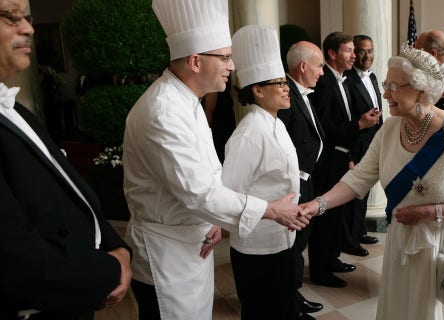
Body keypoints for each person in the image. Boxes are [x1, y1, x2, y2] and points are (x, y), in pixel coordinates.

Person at [122, 1, 306, 319]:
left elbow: (207, 177)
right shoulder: (163, 110)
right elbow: (199, 193)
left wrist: (214, 221)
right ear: (195, 61)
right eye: (224, 57)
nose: (231, 66)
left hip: (193, 244)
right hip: (167, 255)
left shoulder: (187, 101)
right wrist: (271, 209)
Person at [301, 43, 444, 320]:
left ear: (421, 91)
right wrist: (317, 205)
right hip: (402, 240)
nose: (385, 93)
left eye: (394, 86)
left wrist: (427, 212)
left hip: (443, 245)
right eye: (386, 84)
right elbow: (358, 178)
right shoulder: (389, 129)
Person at [0, 0, 132, 318]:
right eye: (10, 15)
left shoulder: (16, 111)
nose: (29, 28)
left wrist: (118, 248)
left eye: (27, 17)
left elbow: (71, 187)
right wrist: (109, 270)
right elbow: (15, 261)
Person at [221, 25, 300, 320]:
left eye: (284, 82)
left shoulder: (276, 122)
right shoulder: (248, 134)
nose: (285, 87)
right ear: (257, 90)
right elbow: (229, 192)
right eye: (278, 83)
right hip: (258, 246)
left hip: (283, 238)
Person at [307, 31, 381, 288]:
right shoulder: (324, 82)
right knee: (325, 217)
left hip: (341, 156)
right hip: (326, 161)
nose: (354, 56)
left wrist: (349, 155)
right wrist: (359, 124)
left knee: (336, 216)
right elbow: (324, 129)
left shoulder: (341, 79)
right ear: (332, 54)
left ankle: (332, 259)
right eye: (349, 51)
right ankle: (321, 269)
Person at [277, 41, 326, 318]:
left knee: (299, 243)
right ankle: (289, 302)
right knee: (292, 245)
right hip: (292, 183)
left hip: (307, 179)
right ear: (303, 66)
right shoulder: (285, 95)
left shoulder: (302, 93)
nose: (321, 72)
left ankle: (292, 295)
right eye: (319, 66)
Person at [342, 34, 383, 256]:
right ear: (354, 53)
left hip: (373, 141)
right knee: (353, 193)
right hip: (356, 143)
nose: (367, 56)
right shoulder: (347, 79)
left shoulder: (373, 77)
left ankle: (359, 232)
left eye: (370, 51)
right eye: (361, 51)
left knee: (365, 191)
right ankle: (349, 240)